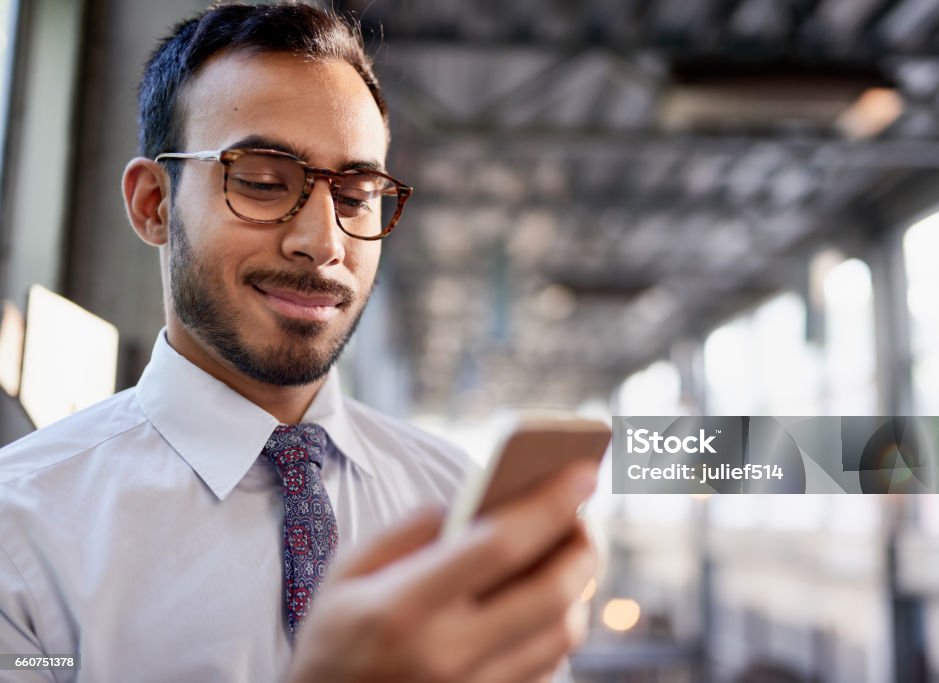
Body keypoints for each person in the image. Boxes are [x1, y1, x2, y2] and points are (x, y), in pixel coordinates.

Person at [0, 4, 598, 682]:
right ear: (153, 204)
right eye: (259, 180)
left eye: (356, 194)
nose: (323, 243)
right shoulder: (21, 532)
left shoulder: (452, 500)